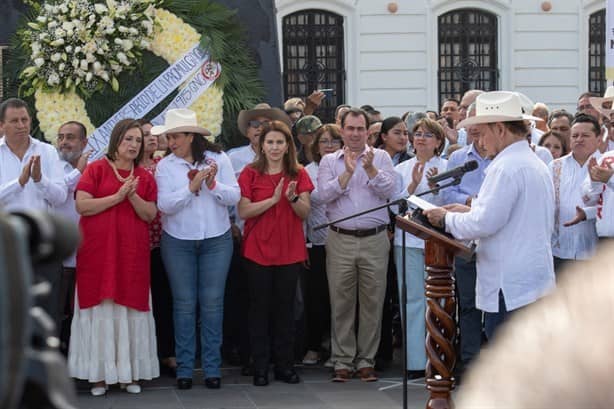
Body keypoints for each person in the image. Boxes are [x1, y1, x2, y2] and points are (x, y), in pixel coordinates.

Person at [424, 91, 556, 339]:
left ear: (500, 129)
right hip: (528, 280)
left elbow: (484, 223)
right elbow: (508, 214)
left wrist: (445, 219)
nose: (480, 142)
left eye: (482, 133)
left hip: (510, 283)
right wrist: (469, 210)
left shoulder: (506, 166)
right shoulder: (532, 162)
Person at [69, 118, 159, 396]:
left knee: (129, 308)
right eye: (128, 139)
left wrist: (131, 196)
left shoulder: (145, 177)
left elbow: (149, 214)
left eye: (137, 140)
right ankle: (98, 376)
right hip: (97, 254)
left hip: (131, 255)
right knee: (100, 308)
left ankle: (127, 373)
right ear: (116, 141)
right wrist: (117, 197)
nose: (133, 145)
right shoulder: (96, 169)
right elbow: (82, 205)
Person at [153, 109, 239, 390]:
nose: (171, 141)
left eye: (176, 136)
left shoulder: (219, 158)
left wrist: (212, 184)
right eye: (169, 137)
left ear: (191, 136)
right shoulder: (165, 166)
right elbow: (164, 205)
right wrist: (191, 188)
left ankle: (212, 368)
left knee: (213, 304)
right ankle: (185, 369)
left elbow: (234, 196)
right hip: (178, 240)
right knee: (184, 305)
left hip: (216, 238)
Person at [317, 107, 396, 382]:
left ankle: (366, 361)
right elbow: (323, 195)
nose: (354, 134)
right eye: (350, 128)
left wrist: (370, 168)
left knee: (373, 303)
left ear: (367, 131)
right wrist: (347, 174)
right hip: (340, 238)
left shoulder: (382, 157)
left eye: (360, 129)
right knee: (341, 302)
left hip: (375, 238)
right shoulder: (329, 161)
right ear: (341, 130)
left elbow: (391, 191)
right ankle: (342, 361)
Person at [237, 120, 313, 386]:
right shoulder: (249, 172)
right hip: (257, 250)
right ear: (261, 144)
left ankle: (284, 365)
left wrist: (291, 199)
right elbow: (243, 211)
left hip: (289, 251)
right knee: (259, 309)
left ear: (287, 145)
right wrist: (271, 200)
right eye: (270, 142)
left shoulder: (299, 172)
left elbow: (304, 213)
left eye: (280, 142)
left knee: (285, 310)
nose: (274, 147)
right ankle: (260, 365)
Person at [224, 103, 291, 375]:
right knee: (249, 302)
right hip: (243, 235)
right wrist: (231, 224)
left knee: (279, 304)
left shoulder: (290, 166)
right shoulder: (234, 158)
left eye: (266, 124)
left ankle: (280, 360)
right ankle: (250, 357)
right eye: (255, 124)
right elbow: (229, 197)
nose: (260, 128)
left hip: (281, 241)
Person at [0, 98, 67, 331]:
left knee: (46, 312)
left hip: (43, 245)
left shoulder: (47, 152)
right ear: (1, 126)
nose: (21, 125)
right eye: (14, 121)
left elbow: (60, 197)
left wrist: (40, 180)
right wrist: (18, 183)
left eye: (25, 119)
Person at [393, 117, 447, 379]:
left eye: (428, 134)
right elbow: (394, 207)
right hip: (408, 242)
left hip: (437, 244)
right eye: (417, 134)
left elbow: (452, 206)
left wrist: (436, 188)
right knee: (412, 299)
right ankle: (415, 360)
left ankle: (438, 358)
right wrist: (413, 185)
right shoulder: (402, 168)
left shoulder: (447, 167)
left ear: (438, 142)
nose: (421, 138)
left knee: (437, 301)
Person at [441, 117, 491, 377]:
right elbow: (447, 194)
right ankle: (470, 362)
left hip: (494, 244)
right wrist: (473, 201)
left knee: (495, 306)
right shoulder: (459, 158)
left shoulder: (502, 159)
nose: (475, 132)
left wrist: (479, 204)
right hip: (465, 242)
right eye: (471, 128)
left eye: (479, 127)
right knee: (469, 305)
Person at [302, 124, 343, 366]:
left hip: (343, 240)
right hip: (316, 243)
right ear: (316, 146)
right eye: (324, 141)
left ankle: (338, 348)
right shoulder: (307, 170)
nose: (329, 145)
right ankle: (314, 346)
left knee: (341, 298)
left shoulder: (347, 167)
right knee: (316, 298)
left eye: (334, 141)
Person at [137, 119, 176, 376]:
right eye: (144, 135)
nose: (151, 139)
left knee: (165, 298)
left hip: (165, 240)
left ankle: (167, 352)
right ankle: (142, 353)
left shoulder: (165, 165)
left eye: (154, 135)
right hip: (138, 241)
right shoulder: (126, 168)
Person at [53, 121, 90, 354]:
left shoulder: (96, 168)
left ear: (84, 142)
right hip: (59, 256)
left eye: (70, 137)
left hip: (88, 254)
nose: (64, 142)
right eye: (60, 137)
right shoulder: (52, 167)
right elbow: (56, 194)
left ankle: (83, 364)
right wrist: (79, 172)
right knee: (56, 312)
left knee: (84, 312)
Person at [549, 114, 601, 276]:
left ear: (598, 139)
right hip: (559, 251)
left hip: (596, 252)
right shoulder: (555, 166)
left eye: (585, 135)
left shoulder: (607, 164)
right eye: (575, 135)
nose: (579, 139)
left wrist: (588, 213)